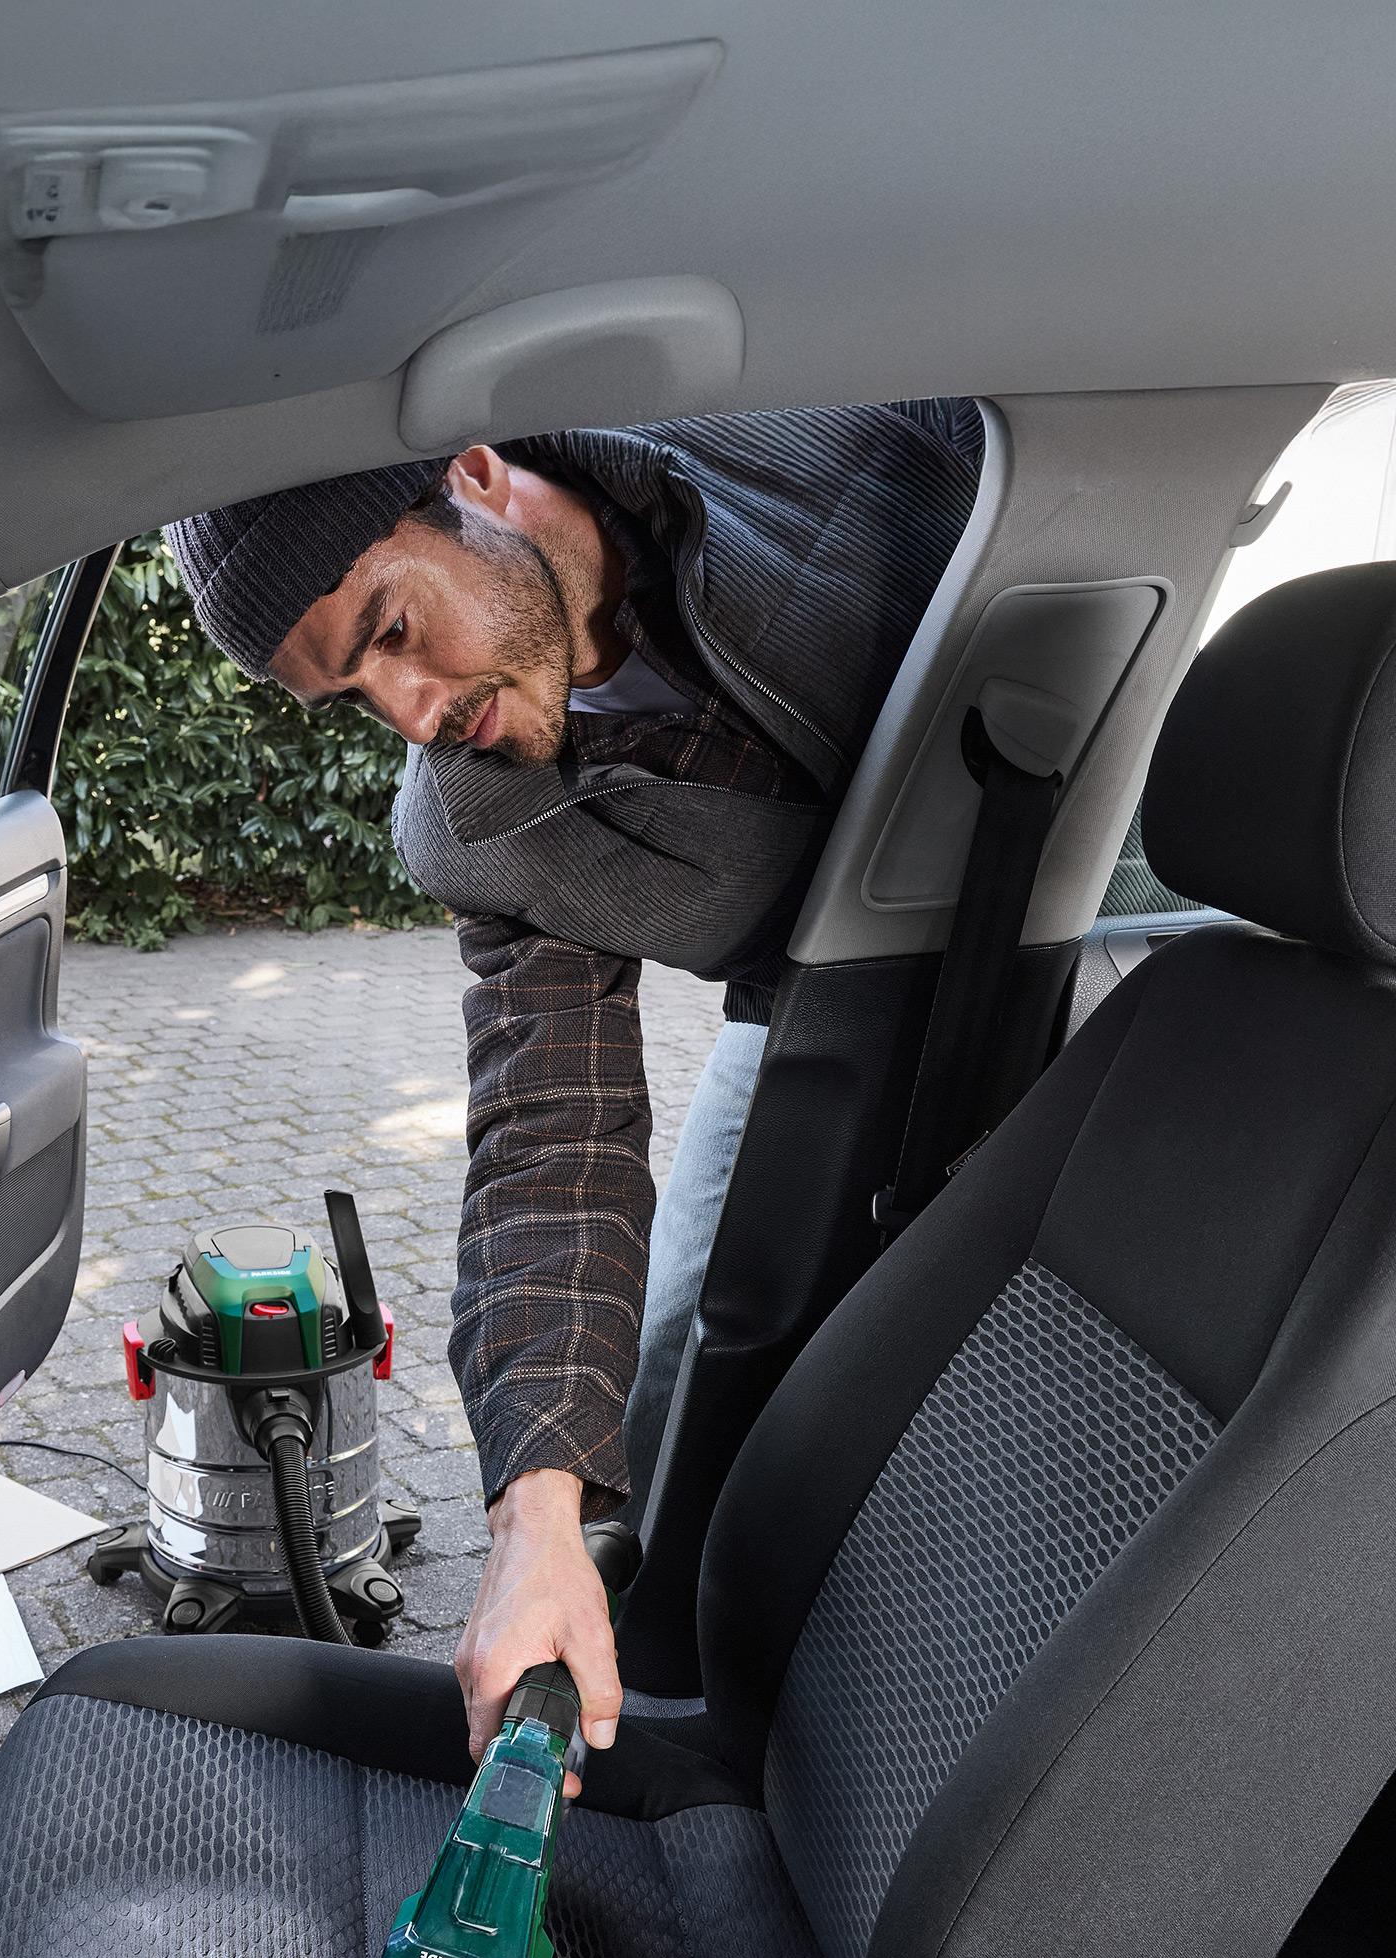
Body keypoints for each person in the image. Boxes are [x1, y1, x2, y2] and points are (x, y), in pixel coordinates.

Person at [165, 402, 982, 1779]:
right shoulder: (473, 819)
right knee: (664, 1399)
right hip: (816, 1008)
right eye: (357, 698)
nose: (413, 713)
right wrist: (535, 1524)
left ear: (476, 478)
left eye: (395, 631)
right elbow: (552, 1142)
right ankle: (671, 1723)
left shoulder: (813, 448)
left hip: (1088, 924)